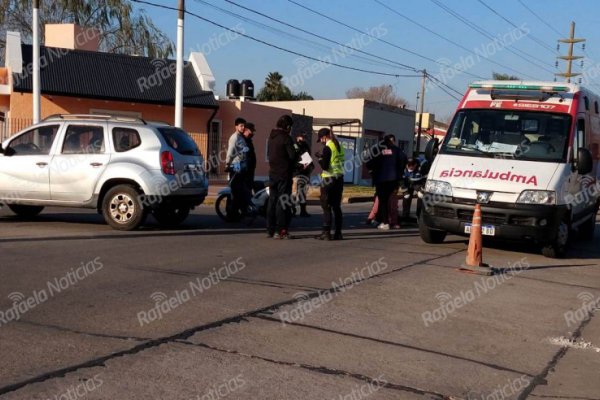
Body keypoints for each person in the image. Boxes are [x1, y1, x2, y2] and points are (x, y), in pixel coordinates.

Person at [366, 134, 406, 230]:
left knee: (382, 201)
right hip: (393, 180)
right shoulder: (397, 150)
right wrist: (398, 173)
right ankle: (384, 220)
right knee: (389, 200)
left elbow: (369, 163)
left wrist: (373, 171)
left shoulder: (377, 150)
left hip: (381, 179)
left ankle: (385, 222)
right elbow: (404, 161)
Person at [267, 115, 297, 239]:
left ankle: (270, 229)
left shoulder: (271, 137)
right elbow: (292, 156)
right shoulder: (286, 138)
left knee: (272, 201)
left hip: (273, 173)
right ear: (288, 127)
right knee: (282, 202)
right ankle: (281, 229)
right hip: (284, 174)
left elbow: (269, 154)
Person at [315, 128, 345, 240]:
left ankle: (326, 233)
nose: (321, 141)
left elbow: (325, 166)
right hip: (339, 179)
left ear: (324, 137)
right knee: (337, 207)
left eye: (321, 139)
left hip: (328, 179)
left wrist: (320, 158)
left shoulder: (328, 148)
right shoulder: (340, 146)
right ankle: (338, 232)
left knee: (326, 206)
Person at [226, 117, 251, 217]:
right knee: (235, 190)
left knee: (240, 190)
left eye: (244, 126)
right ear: (236, 126)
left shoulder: (241, 137)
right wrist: (227, 164)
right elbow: (230, 152)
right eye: (241, 125)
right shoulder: (235, 137)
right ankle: (231, 213)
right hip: (236, 165)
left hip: (242, 166)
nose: (243, 127)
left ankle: (237, 211)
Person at [294, 133, 314, 217]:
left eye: (304, 137)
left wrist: (310, 165)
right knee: (294, 193)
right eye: (301, 137)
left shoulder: (305, 145)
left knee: (302, 192)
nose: (303, 139)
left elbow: (308, 156)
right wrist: (301, 165)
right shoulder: (294, 145)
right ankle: (292, 210)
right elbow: (293, 159)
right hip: (297, 172)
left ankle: (303, 211)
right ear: (297, 137)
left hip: (305, 172)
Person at [243, 122, 257, 198]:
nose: (252, 133)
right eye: (251, 130)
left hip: (250, 170)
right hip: (246, 171)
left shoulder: (249, 141)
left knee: (249, 188)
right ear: (246, 130)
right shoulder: (243, 141)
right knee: (245, 189)